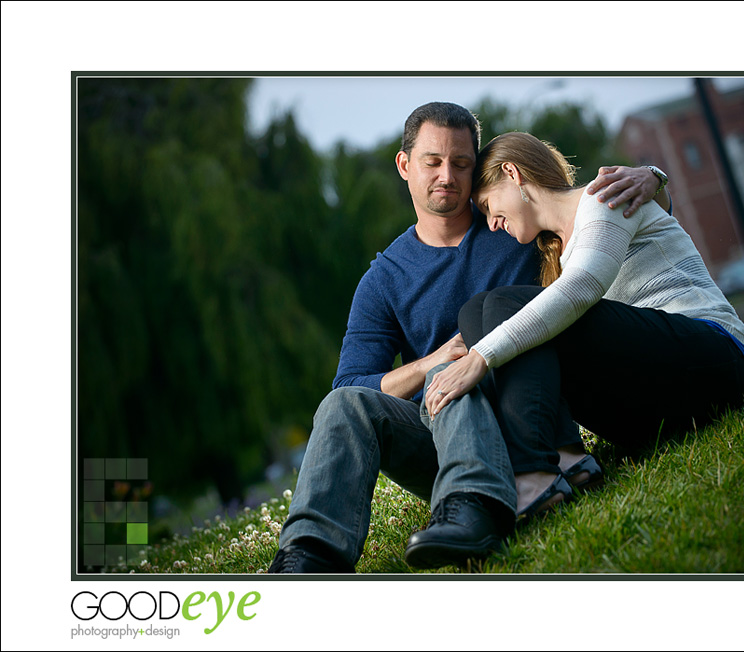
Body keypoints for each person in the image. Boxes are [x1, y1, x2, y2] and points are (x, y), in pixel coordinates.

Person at [268, 102, 667, 573]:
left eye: (461, 163)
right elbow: (351, 383)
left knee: (452, 370)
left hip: (529, 428)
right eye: (432, 162)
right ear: (404, 165)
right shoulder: (384, 279)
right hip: (446, 437)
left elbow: (591, 215)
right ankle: (309, 556)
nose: (448, 176)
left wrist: (651, 177)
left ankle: (474, 508)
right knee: (345, 404)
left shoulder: (512, 224)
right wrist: (433, 361)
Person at [423, 131, 744, 523]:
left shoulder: (603, 198)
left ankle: (534, 473)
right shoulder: (559, 256)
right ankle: (569, 457)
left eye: (487, 205)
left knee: (503, 303)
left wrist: (481, 357)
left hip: (718, 359)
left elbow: (582, 288)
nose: (493, 223)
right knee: (475, 309)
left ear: (512, 173)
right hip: (651, 413)